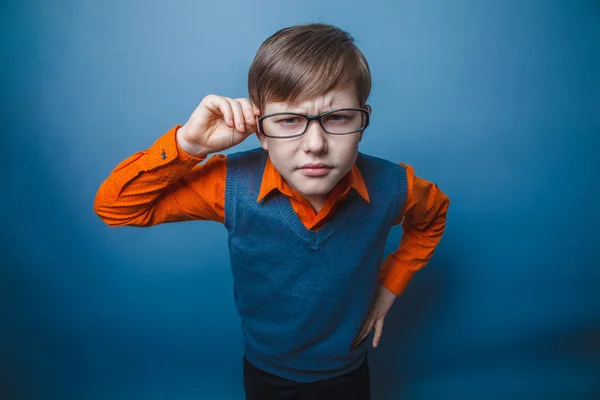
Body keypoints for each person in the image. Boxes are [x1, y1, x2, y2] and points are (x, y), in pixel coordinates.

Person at [94, 23, 450, 400]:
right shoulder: (230, 185)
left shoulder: (393, 186)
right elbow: (116, 208)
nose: (314, 145)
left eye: (337, 118)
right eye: (289, 121)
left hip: (348, 372)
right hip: (267, 373)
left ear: (363, 121)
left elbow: (432, 217)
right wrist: (190, 145)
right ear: (260, 131)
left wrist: (389, 285)